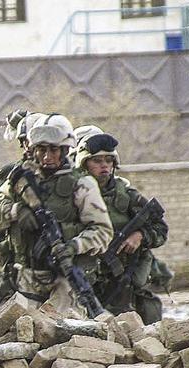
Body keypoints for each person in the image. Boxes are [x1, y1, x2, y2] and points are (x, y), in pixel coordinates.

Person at [0, 114, 113, 317]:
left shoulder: (81, 184)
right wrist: (17, 211)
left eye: (53, 150)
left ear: (65, 150)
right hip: (26, 278)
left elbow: (102, 231)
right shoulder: (19, 180)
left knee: (62, 336)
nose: (47, 156)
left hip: (64, 280)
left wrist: (74, 246)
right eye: (42, 149)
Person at [75, 131, 168, 323]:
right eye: (97, 160)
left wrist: (140, 235)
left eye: (108, 160)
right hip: (84, 283)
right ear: (84, 163)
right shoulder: (74, 195)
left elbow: (160, 228)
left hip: (122, 284)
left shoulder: (126, 195)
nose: (104, 165)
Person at [0, 110, 44, 307]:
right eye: (29, 142)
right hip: (23, 268)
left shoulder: (73, 178)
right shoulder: (13, 176)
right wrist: (16, 212)